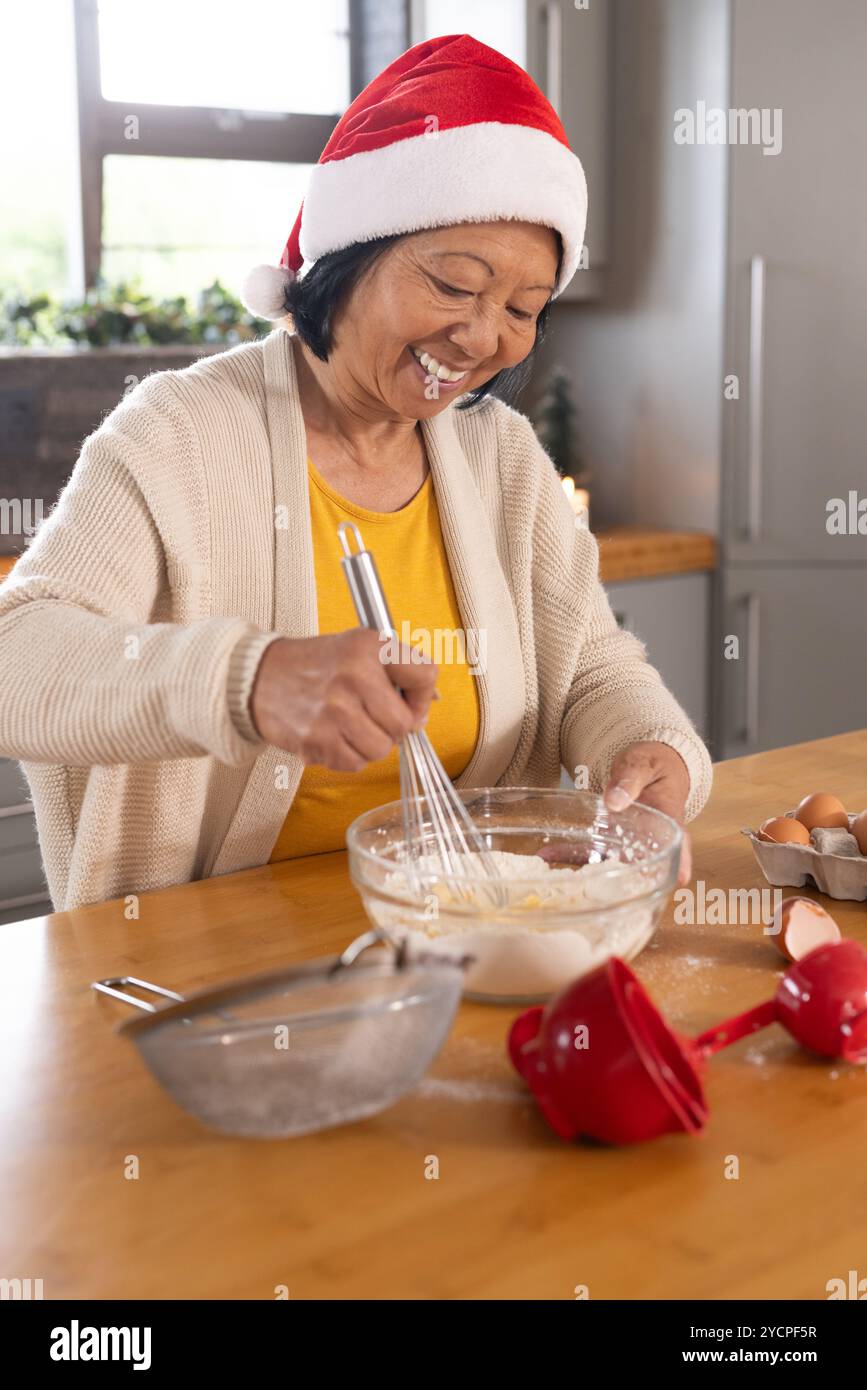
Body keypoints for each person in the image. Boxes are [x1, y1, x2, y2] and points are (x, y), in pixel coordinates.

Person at [0, 34, 711, 912]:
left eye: (523, 309)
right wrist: (247, 680)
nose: (485, 338)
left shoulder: (502, 459)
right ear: (345, 259)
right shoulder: (177, 434)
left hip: (459, 942)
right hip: (198, 971)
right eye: (454, 285)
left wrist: (650, 749)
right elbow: (16, 657)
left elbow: (592, 674)